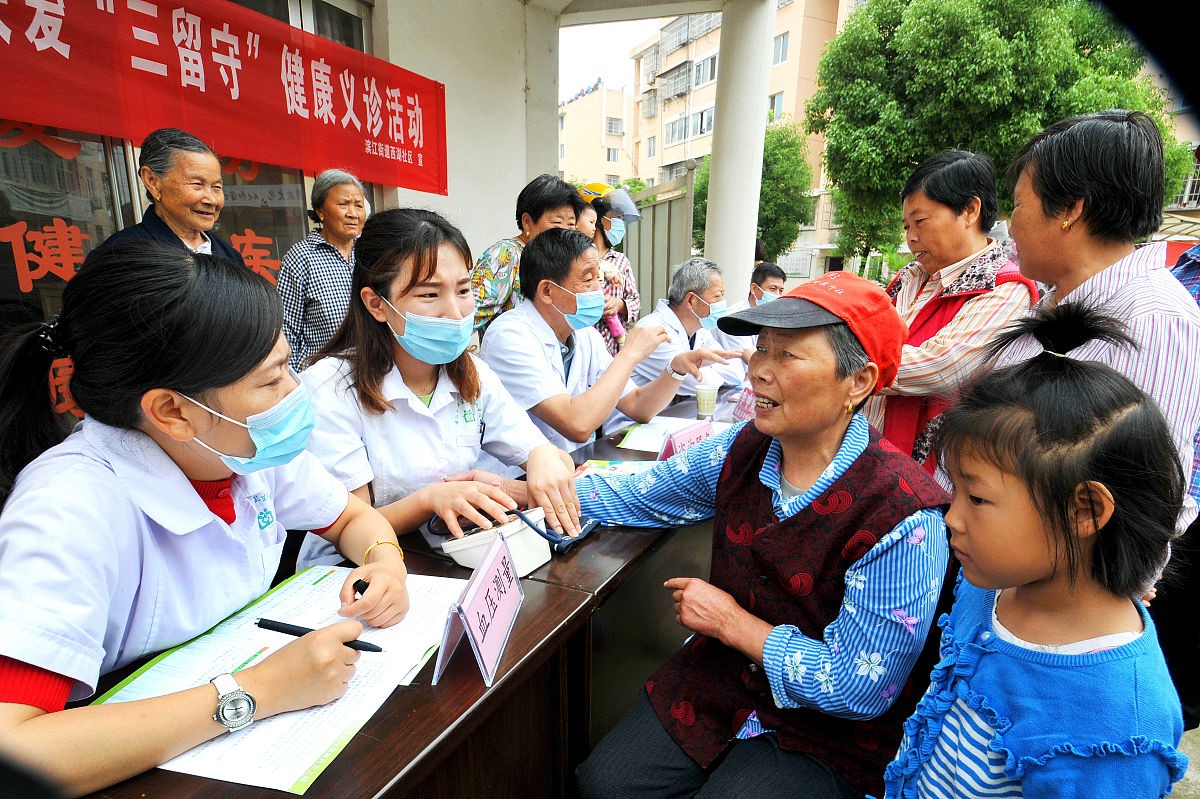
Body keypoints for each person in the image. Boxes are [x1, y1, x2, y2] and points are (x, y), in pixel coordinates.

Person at [471, 272, 952, 797]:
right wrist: (525, 492)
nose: (759, 371)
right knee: (605, 785)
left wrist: (730, 623)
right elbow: (648, 492)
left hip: (827, 727)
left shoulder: (904, 514)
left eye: (787, 356)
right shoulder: (744, 448)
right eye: (761, 349)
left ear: (858, 383)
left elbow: (859, 685)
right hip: (722, 679)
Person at [0, 242, 409, 796]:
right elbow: (16, 751)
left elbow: (350, 518)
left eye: (290, 365)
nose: (295, 394)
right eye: (272, 380)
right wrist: (257, 690)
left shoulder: (239, 448)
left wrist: (385, 562)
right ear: (173, 411)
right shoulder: (67, 508)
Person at [884, 304, 1189, 797]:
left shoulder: (1117, 723)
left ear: (1084, 510)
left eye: (977, 498)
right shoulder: (990, 584)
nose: (952, 518)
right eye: (955, 491)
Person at [298, 209, 581, 569]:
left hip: (450, 553)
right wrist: (429, 500)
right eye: (430, 295)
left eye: (464, 290)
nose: (455, 312)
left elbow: (535, 447)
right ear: (375, 304)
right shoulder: (331, 387)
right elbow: (350, 520)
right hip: (352, 569)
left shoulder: (472, 374)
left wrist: (542, 456)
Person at [995, 109, 1200, 535]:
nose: (1010, 225)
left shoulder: (1156, 318)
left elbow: (1147, 498)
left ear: (1070, 208)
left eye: (1017, 205)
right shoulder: (1049, 304)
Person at [480, 229, 731, 456]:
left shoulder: (584, 334)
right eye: (588, 279)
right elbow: (576, 425)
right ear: (547, 291)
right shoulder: (509, 335)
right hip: (514, 479)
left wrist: (675, 370)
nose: (600, 290)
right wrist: (629, 354)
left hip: (569, 467)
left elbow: (638, 406)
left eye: (599, 278)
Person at [864, 150, 1037, 468]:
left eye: (920, 222)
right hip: (867, 457)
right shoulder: (909, 277)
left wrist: (841, 363)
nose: (911, 239)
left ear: (970, 211)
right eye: (906, 227)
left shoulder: (1005, 288)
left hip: (927, 475)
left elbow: (941, 366)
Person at [96, 128, 245, 265]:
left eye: (216, 187)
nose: (211, 200)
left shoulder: (230, 256)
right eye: (197, 184)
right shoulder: (120, 256)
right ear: (153, 182)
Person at [621, 258, 746, 411]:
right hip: (630, 426)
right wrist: (710, 367)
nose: (722, 302)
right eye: (717, 296)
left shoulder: (700, 330)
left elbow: (736, 372)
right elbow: (703, 384)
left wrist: (706, 367)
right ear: (691, 300)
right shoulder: (655, 331)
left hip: (674, 417)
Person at [277, 169, 367, 371]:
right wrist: (295, 384)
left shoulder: (369, 253)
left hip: (369, 373)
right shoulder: (301, 257)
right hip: (322, 379)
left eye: (358, 205)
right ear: (320, 211)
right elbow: (286, 330)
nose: (353, 213)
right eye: (343, 204)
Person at [470, 173, 577, 335]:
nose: (564, 232)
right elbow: (468, 317)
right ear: (527, 222)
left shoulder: (557, 262)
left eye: (571, 223)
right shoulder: (506, 255)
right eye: (557, 223)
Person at [575, 194, 641, 356]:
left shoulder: (621, 261)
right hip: (581, 343)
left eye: (622, 218)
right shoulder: (576, 256)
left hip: (613, 347)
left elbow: (635, 301)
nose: (621, 222)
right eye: (616, 216)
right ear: (598, 218)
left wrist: (618, 304)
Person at [710, 261, 788, 385]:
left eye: (780, 291)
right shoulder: (735, 318)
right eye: (772, 289)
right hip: (724, 387)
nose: (777, 295)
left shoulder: (768, 318)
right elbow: (752, 359)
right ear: (754, 289)